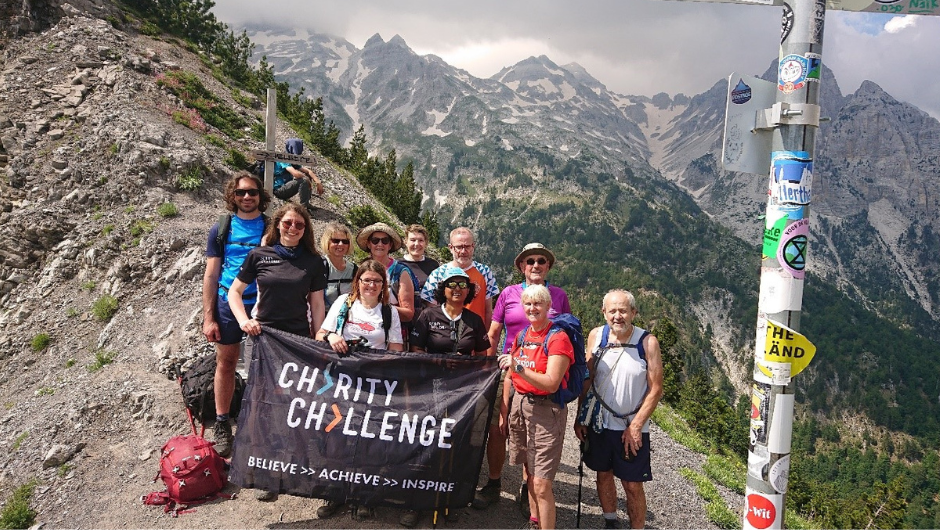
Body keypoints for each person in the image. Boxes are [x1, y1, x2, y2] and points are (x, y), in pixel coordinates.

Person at [226, 203, 328, 502]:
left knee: (289, 404)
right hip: (262, 338)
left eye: (299, 224)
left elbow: (317, 303)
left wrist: (319, 337)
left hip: (295, 341)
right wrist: (244, 321)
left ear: (305, 229)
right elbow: (234, 291)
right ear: (278, 224)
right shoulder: (259, 255)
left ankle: (286, 467)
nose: (293, 228)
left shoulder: (313, 262)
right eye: (288, 223)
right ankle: (263, 470)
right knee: (259, 403)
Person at [476, 243, 572, 511]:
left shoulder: (559, 296)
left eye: (541, 261)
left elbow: (568, 335)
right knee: (498, 428)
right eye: (530, 261)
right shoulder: (508, 293)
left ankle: (527, 487)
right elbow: (494, 332)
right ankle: (494, 482)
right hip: (508, 371)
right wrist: (486, 365)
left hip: (542, 375)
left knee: (532, 434)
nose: (536, 265)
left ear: (548, 266)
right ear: (521, 266)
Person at [399, 265, 491, 527]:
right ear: (443, 289)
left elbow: (483, 357)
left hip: (462, 393)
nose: (458, 290)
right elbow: (415, 350)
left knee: (454, 443)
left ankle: (447, 497)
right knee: (426, 442)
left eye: (463, 286)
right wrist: (439, 362)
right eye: (453, 285)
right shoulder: (428, 315)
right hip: (430, 389)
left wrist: (467, 366)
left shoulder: (474, 320)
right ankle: (415, 501)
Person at [315, 259, 404, 520]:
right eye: (366, 280)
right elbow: (320, 334)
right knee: (336, 434)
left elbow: (397, 349)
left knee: (369, 437)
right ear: (358, 282)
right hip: (340, 381)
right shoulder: (344, 303)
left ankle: (365, 494)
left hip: (373, 384)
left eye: (377, 281)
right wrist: (332, 337)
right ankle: (334, 491)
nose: (371, 285)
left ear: (383, 285)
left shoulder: (390, 313)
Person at [574, 290, 663, 529]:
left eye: (623, 310)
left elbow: (655, 389)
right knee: (603, 474)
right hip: (600, 423)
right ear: (604, 312)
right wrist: (580, 417)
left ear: (634, 312)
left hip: (632, 427)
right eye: (612, 311)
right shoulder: (596, 336)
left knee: (632, 484)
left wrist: (636, 425)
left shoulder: (647, 342)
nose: (618, 316)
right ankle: (610, 521)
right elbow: (588, 379)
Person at [201, 171, 270, 458]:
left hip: (262, 304)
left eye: (252, 192)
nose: (246, 197)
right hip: (228, 302)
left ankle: (259, 425)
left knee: (262, 368)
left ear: (260, 196)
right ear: (233, 196)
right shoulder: (222, 228)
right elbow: (211, 273)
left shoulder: (271, 226)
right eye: (241, 193)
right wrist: (209, 316)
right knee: (226, 362)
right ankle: (221, 423)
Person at [497, 284, 573, 530]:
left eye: (538, 303)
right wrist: (505, 410)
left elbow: (551, 383)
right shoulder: (523, 335)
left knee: (541, 482)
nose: (532, 308)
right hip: (520, 404)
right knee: (529, 472)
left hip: (545, 409)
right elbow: (509, 376)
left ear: (549, 307)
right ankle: (534, 521)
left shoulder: (558, 337)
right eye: (528, 303)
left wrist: (518, 366)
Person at [420, 227, 499, 325]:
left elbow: (488, 310)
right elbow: (430, 311)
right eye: (459, 247)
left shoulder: (485, 272)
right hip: (445, 334)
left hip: (475, 334)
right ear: (450, 248)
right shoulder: (437, 274)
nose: (463, 251)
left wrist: (485, 336)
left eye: (467, 247)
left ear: (473, 246)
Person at [356, 223, 417, 339]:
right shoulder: (361, 269)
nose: (380, 244)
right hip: (362, 331)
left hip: (392, 334)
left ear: (390, 245)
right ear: (369, 244)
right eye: (375, 240)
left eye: (385, 241)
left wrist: (377, 306)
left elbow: (408, 314)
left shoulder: (400, 272)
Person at [272, 138, 324, 211]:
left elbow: (308, 171)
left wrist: (318, 182)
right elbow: (295, 173)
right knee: (304, 180)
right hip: (278, 190)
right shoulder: (283, 158)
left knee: (306, 177)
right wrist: (307, 179)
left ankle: (306, 203)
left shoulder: (292, 158)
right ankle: (303, 209)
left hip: (285, 188)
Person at [320, 222, 357, 307]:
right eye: (335, 241)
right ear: (327, 242)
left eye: (345, 241)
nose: (341, 244)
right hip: (323, 317)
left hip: (347, 317)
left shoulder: (354, 270)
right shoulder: (319, 267)